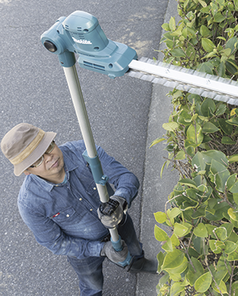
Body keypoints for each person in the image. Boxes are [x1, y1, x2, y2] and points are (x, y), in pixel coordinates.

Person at [1, 123, 157, 296]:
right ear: (27, 171)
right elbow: (56, 243)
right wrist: (101, 249)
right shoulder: (30, 203)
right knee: (92, 284)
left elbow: (126, 178)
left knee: (134, 249)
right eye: (37, 160)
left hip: (120, 221)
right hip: (83, 251)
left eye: (48, 146)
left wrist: (119, 201)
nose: (49, 157)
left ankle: (138, 264)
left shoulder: (84, 151)